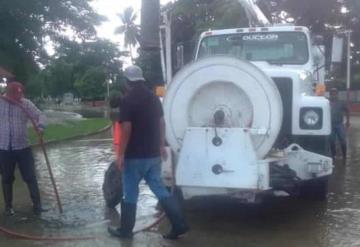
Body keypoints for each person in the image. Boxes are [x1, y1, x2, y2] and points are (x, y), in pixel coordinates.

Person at [107, 65, 189, 240]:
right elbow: (161, 122)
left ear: (127, 81)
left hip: (134, 156)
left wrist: (120, 154)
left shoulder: (127, 100)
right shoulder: (153, 98)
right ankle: (179, 224)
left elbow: (126, 128)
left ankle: (126, 230)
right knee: (159, 188)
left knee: (130, 192)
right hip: (153, 155)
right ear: (141, 79)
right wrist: (161, 146)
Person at [0, 81, 47, 216]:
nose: (18, 98)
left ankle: (37, 205)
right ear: (9, 93)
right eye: (16, 95)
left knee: (30, 176)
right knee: (7, 178)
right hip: (4, 148)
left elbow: (41, 115)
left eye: (20, 95)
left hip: (23, 147)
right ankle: (8, 207)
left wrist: (41, 127)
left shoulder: (25, 103)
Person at [329, 88, 350, 160]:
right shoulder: (327, 102)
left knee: (343, 140)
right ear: (330, 95)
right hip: (330, 125)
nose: (333, 95)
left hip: (339, 124)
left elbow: (347, 111)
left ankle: (344, 156)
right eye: (332, 94)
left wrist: (347, 121)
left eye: (335, 93)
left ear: (337, 94)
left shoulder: (341, 102)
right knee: (331, 141)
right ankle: (333, 155)